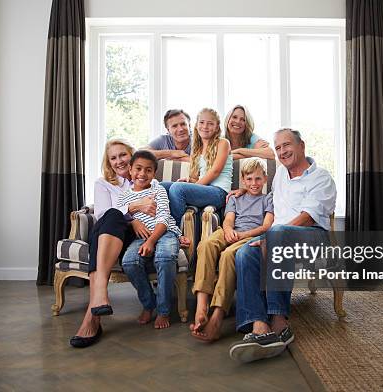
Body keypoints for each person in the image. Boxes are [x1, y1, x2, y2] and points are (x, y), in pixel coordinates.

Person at [228, 128, 337, 363]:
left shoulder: (321, 177)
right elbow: (265, 200)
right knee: (245, 253)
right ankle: (258, 326)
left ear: (301, 145)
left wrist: (274, 236)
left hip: (312, 238)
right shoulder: (279, 176)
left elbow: (308, 217)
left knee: (277, 233)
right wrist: (242, 191)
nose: (282, 151)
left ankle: (279, 320)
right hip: (278, 237)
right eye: (277, 148)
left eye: (286, 145)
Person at [69, 139, 158, 348]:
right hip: (110, 231)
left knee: (113, 215)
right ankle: (97, 302)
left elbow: (153, 207)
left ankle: (93, 313)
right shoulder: (103, 183)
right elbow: (100, 214)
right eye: (113, 158)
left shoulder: (146, 178)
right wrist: (134, 211)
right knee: (110, 216)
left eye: (123, 155)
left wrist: (132, 214)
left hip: (132, 237)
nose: (119, 161)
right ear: (108, 162)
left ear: (132, 155)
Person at [190, 158, 274, 342]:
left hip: (250, 235)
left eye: (258, 179)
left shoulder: (268, 199)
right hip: (230, 231)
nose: (254, 183)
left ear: (265, 179)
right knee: (205, 245)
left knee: (228, 255)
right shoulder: (236, 198)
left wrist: (243, 235)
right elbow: (228, 219)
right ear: (243, 180)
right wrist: (228, 230)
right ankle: (201, 306)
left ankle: (218, 315)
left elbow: (266, 226)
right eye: (250, 179)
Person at [117, 150, 190, 329]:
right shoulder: (124, 195)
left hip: (165, 232)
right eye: (138, 169)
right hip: (141, 237)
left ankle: (164, 310)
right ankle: (149, 305)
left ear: (154, 173)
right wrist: (133, 222)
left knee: (165, 258)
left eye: (148, 170)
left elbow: (164, 218)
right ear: (130, 170)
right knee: (129, 262)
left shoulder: (158, 190)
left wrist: (151, 241)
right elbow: (122, 215)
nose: (142, 174)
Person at [168, 108, 233, 226]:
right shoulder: (197, 148)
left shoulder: (223, 143)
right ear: (197, 125)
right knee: (162, 186)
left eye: (210, 123)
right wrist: (189, 182)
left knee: (178, 188)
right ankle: (155, 225)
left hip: (219, 192)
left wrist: (190, 187)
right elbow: (196, 177)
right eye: (202, 122)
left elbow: (215, 172)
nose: (205, 126)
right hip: (204, 189)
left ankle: (175, 230)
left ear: (217, 126)